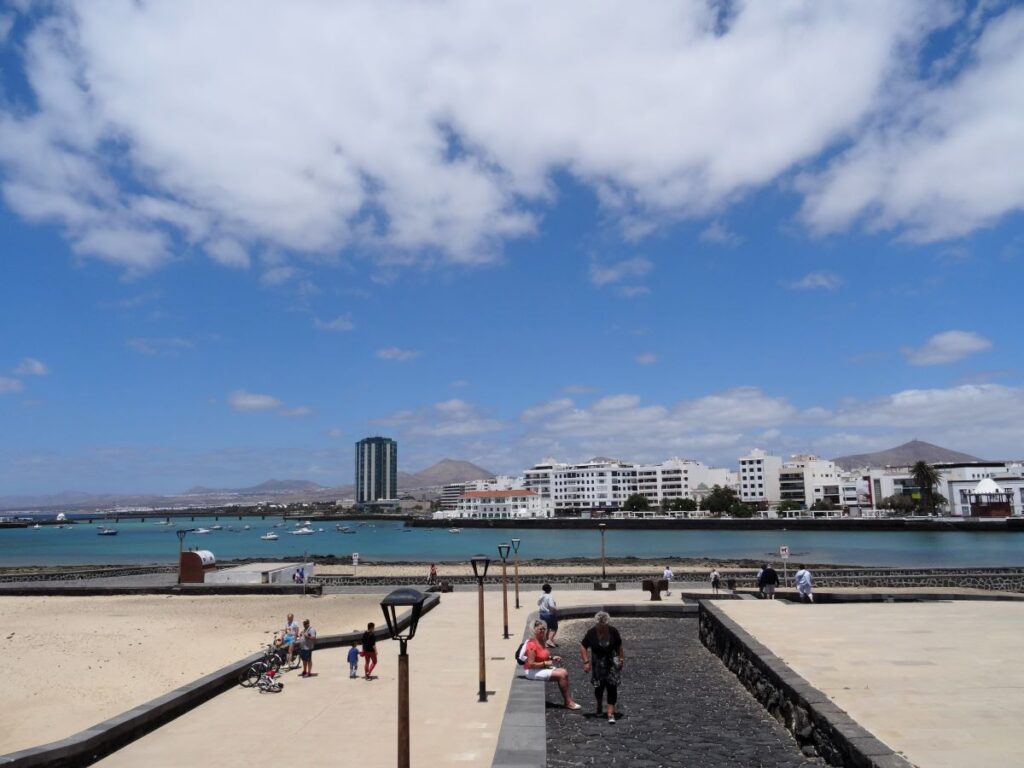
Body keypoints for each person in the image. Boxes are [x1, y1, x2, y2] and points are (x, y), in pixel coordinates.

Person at [523, 619, 580, 710]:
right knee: (562, 674)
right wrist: (545, 663)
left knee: (564, 671)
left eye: (543, 629)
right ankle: (568, 702)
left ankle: (568, 700)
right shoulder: (532, 644)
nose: (542, 631)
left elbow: (541, 656)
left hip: (540, 667)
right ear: (534, 630)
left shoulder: (541, 641)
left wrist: (551, 657)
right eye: (540, 629)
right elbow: (531, 664)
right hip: (532, 671)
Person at [580, 611, 625, 724]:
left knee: (612, 686)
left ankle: (610, 712)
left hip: (611, 663)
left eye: (605, 626)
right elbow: (583, 646)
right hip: (598, 664)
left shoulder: (613, 631)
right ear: (596, 624)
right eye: (600, 626)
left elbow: (619, 646)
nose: (603, 628)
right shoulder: (591, 633)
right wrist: (586, 661)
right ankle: (599, 704)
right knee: (599, 687)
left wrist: (621, 659)